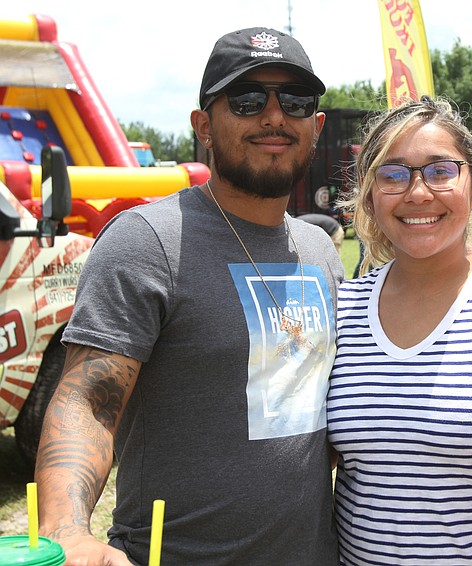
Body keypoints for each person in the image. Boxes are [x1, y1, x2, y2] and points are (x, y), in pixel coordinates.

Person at [35, 27, 343, 565]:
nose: (274, 116)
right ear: (203, 126)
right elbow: (89, 400)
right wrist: (65, 529)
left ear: (314, 127)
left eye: (295, 101)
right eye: (247, 100)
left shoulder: (320, 250)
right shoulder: (146, 241)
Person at [327, 96, 472, 565]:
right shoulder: (344, 309)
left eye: (440, 171)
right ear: (370, 196)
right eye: (393, 174)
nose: (418, 193)